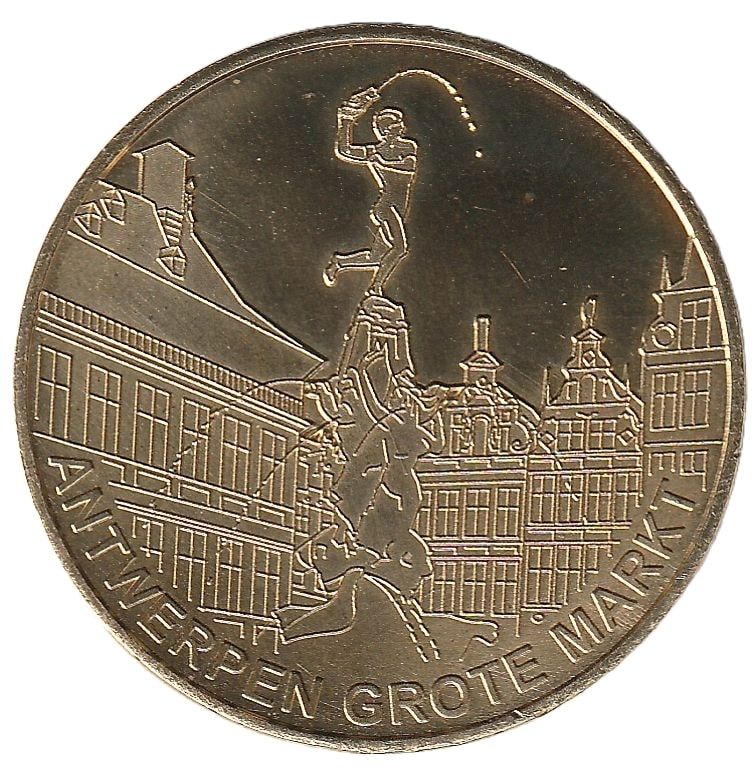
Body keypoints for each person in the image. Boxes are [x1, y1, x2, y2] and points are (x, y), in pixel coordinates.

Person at [323, 87, 418, 292]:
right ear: (385, 130)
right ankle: (375, 289)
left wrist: (380, 162)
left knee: (375, 257)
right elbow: (344, 150)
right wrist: (346, 120)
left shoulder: (407, 146)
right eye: (396, 124)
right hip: (387, 205)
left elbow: (408, 165)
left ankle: (339, 262)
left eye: (400, 123)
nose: (401, 127)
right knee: (400, 248)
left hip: (401, 207)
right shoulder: (376, 150)